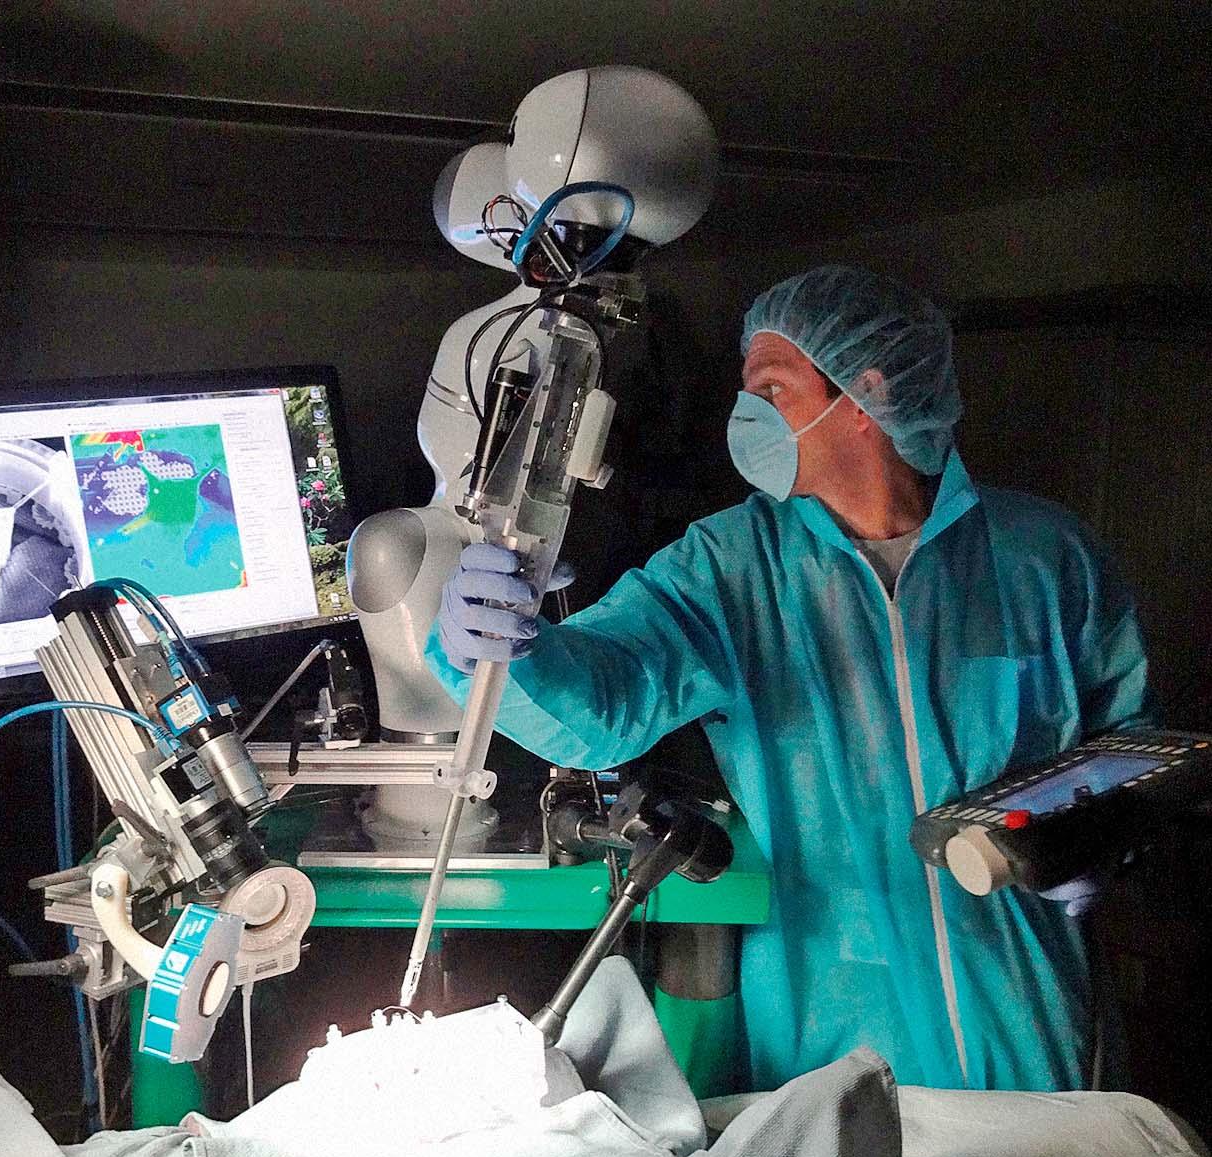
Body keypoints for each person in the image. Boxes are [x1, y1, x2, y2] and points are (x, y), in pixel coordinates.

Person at [425, 264, 1153, 1093]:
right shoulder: (731, 566)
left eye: (771, 388)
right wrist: (505, 650)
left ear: (866, 394)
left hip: (1028, 1009)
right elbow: (606, 702)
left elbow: (1128, 744)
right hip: (833, 1029)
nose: (747, 415)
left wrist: (1108, 836)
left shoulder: (1047, 557)